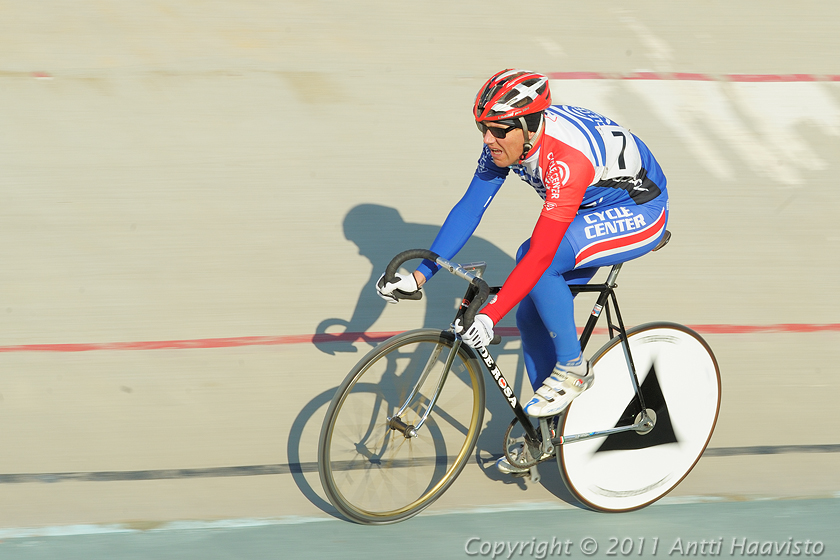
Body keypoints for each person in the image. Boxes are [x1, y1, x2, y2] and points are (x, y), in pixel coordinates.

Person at [377, 69, 668, 474]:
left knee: (533, 258)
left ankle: (573, 368)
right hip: (589, 206)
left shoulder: (565, 160)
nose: (487, 139)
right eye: (482, 128)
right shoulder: (510, 140)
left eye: (497, 131)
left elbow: (541, 254)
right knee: (531, 314)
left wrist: (490, 314)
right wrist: (420, 275)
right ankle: (548, 431)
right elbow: (470, 207)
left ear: (528, 127)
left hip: (638, 210)